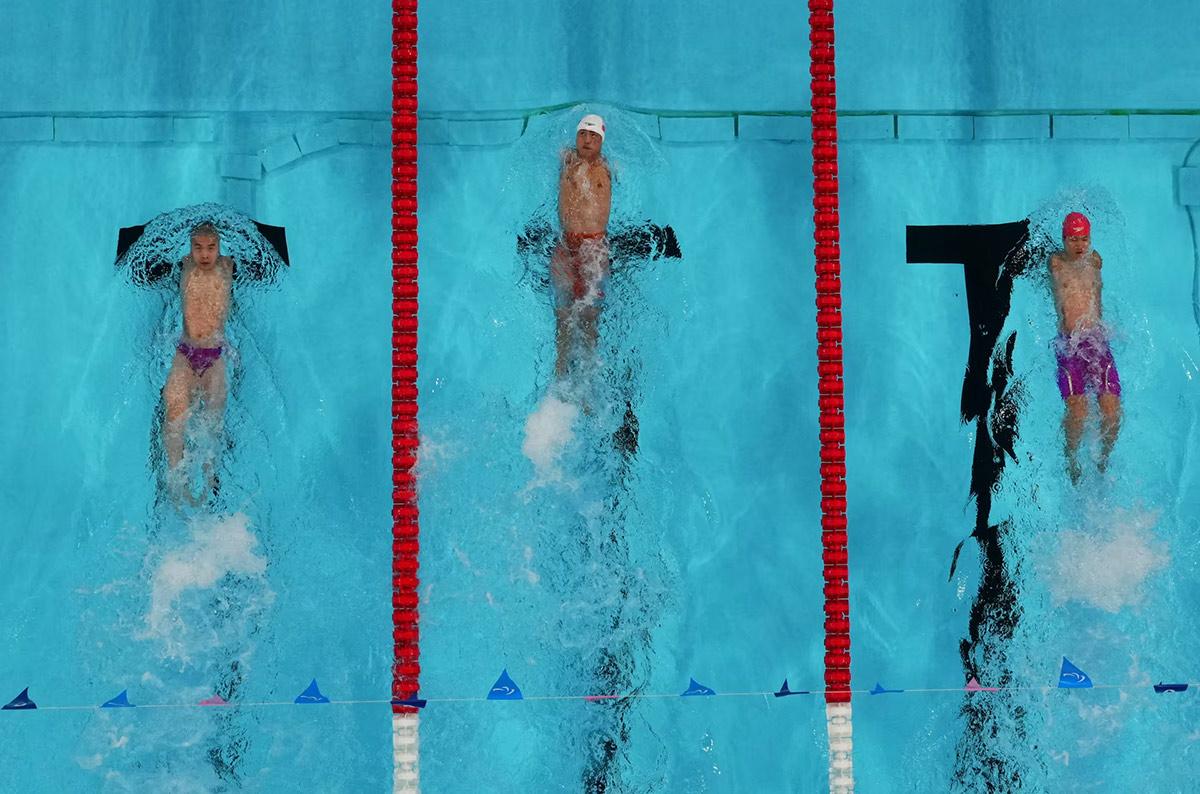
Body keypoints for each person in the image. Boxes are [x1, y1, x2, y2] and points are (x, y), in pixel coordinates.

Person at [162, 222, 232, 505]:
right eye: (198, 247)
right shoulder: (184, 264)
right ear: (189, 248)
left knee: (211, 425)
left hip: (215, 358)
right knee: (174, 416)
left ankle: (211, 482)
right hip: (185, 353)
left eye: (211, 247)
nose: (204, 254)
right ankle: (176, 482)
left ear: (220, 247)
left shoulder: (228, 267)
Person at [1049, 211, 1121, 483]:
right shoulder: (1055, 263)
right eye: (1073, 239)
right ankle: (1071, 459)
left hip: (1097, 343)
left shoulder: (1094, 260)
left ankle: (1104, 457)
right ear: (1063, 240)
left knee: (1112, 411)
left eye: (1084, 239)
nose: (1079, 245)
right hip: (1070, 345)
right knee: (1078, 411)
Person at [551, 114, 612, 380]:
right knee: (563, 311)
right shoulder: (567, 160)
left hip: (595, 246)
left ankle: (588, 373)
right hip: (566, 244)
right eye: (582, 134)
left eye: (594, 136)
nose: (587, 140)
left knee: (590, 313)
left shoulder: (607, 168)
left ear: (602, 141)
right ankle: (561, 370)